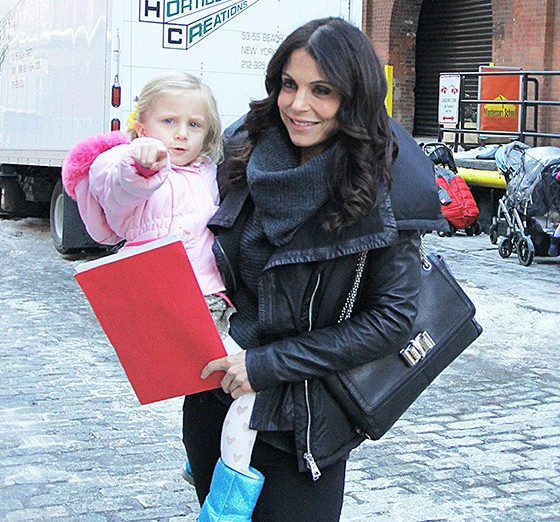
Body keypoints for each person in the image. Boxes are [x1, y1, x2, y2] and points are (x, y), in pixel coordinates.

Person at [182, 17, 448, 522]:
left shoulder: (384, 183)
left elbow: (391, 320)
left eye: (321, 91)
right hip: (215, 401)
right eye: (289, 84)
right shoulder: (243, 151)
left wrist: (265, 365)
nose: (298, 105)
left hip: (299, 423)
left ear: (355, 97)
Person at [61, 72, 264, 520]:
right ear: (141, 125)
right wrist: (141, 164)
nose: (180, 134)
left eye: (194, 124)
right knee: (249, 386)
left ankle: (201, 458)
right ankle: (226, 501)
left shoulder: (208, 173)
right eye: (168, 121)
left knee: (222, 389)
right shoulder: (126, 164)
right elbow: (117, 186)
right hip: (164, 299)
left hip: (212, 301)